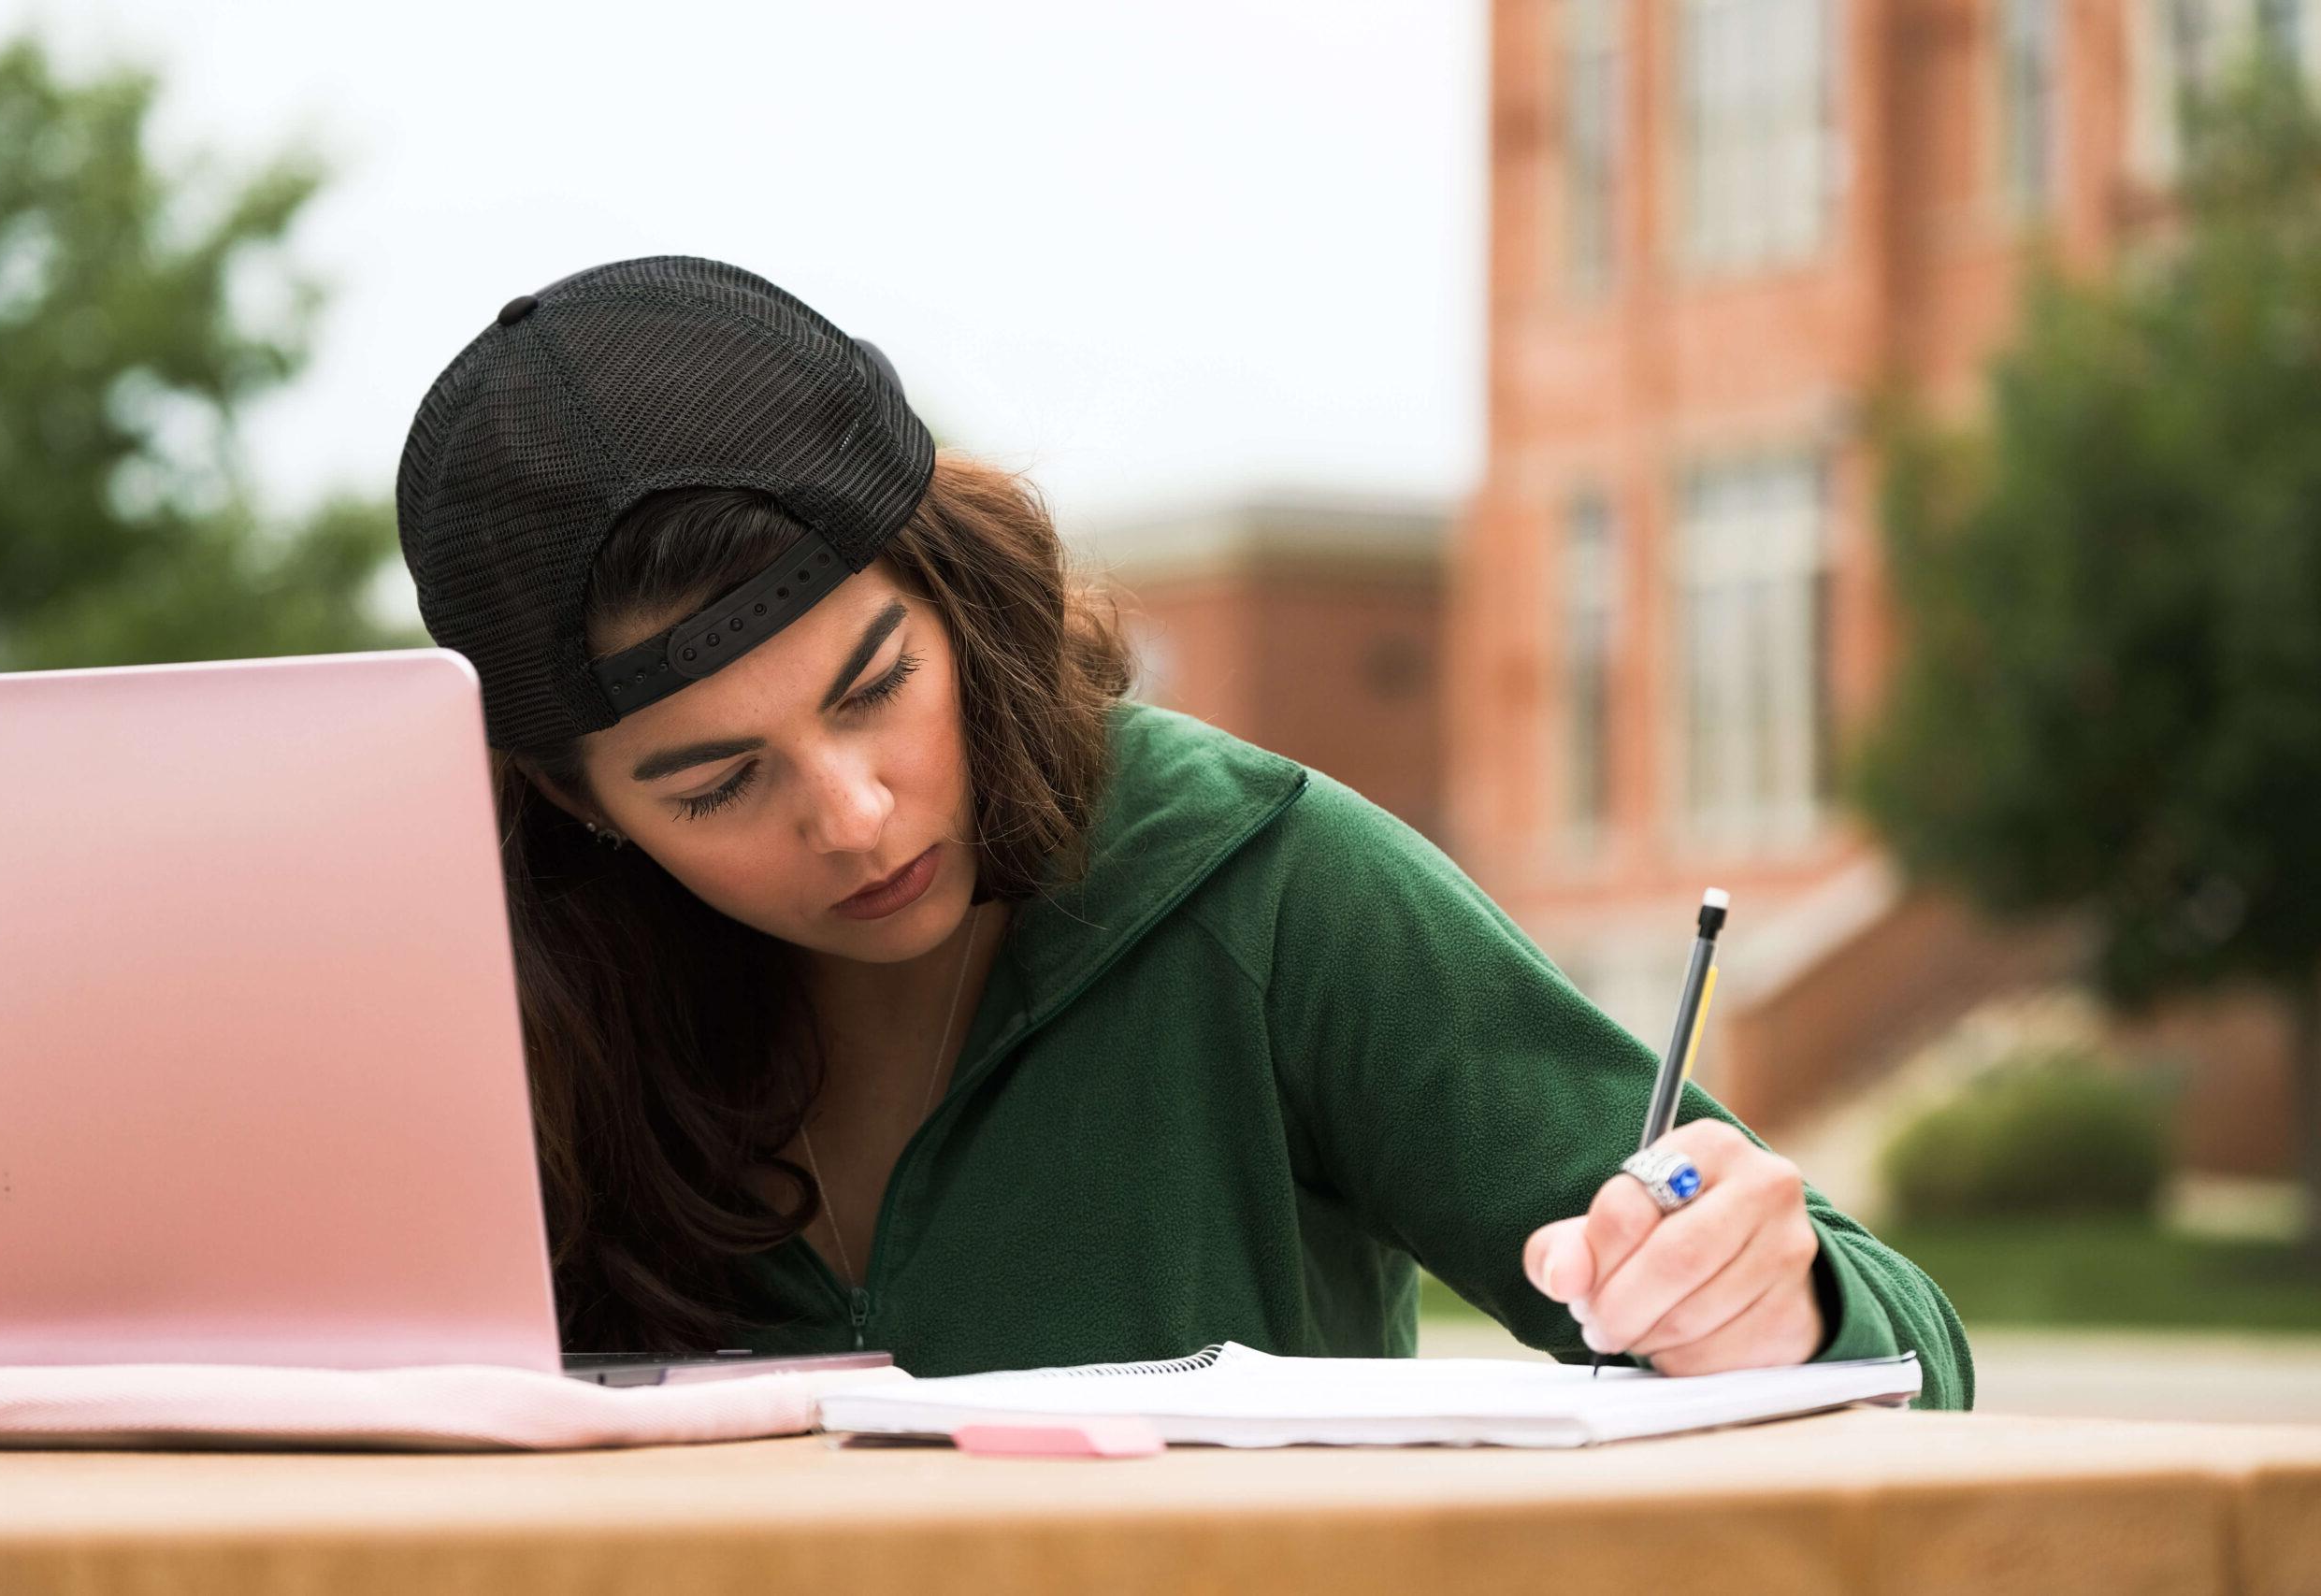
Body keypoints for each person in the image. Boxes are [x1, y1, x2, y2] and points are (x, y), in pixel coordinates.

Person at [395, 255, 1972, 1408]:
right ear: (569, 804)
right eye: (714, 785)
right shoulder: (492, 1014)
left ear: (959, 602)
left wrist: (1782, 1303)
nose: (853, 814)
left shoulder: (1270, 890)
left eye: (876, 688)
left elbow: (1915, 1359)